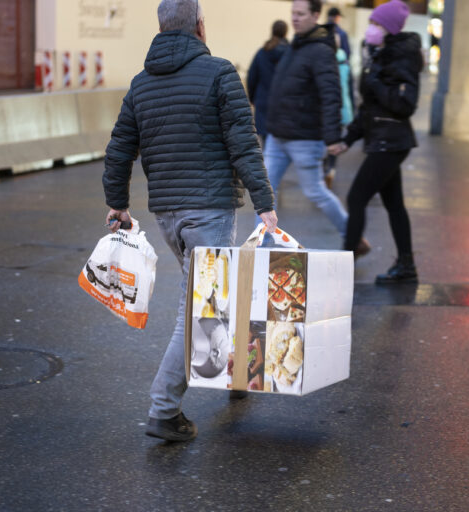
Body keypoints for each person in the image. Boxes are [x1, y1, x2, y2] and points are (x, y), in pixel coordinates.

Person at [102, 0, 277, 442]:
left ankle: (236, 373)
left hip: (167, 216)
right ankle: (163, 409)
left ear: (161, 28)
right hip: (210, 212)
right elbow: (244, 142)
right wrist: (265, 202)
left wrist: (118, 203)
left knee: (217, 296)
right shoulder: (219, 73)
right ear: (200, 25)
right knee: (200, 312)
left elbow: (120, 147)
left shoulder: (141, 84)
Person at [264, 0, 369, 255]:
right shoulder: (295, 46)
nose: (295, 19)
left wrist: (332, 136)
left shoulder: (321, 51)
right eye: (292, 13)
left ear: (315, 15)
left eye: (300, 14)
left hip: (305, 138)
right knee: (264, 194)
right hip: (278, 136)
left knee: (316, 192)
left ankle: (352, 234)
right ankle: (261, 249)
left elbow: (331, 94)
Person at [333, 0, 421, 284]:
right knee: (394, 205)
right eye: (371, 23)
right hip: (383, 140)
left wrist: (377, 85)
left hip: (392, 141)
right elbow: (368, 109)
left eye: (377, 24)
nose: (371, 28)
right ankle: (406, 265)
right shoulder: (379, 55)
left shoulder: (403, 57)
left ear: (390, 29)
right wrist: (348, 139)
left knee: (357, 197)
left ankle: (343, 265)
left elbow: (406, 103)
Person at [247, 20, 289, 145]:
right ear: (286, 32)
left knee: (267, 144)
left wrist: (252, 98)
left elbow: (252, 77)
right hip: (284, 103)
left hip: (263, 100)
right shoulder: (290, 53)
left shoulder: (262, 52)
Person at [323, 32, 354, 190]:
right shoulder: (346, 62)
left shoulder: (323, 62)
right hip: (343, 109)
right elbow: (350, 88)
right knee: (335, 141)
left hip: (325, 109)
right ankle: (331, 169)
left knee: (324, 140)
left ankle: (324, 164)